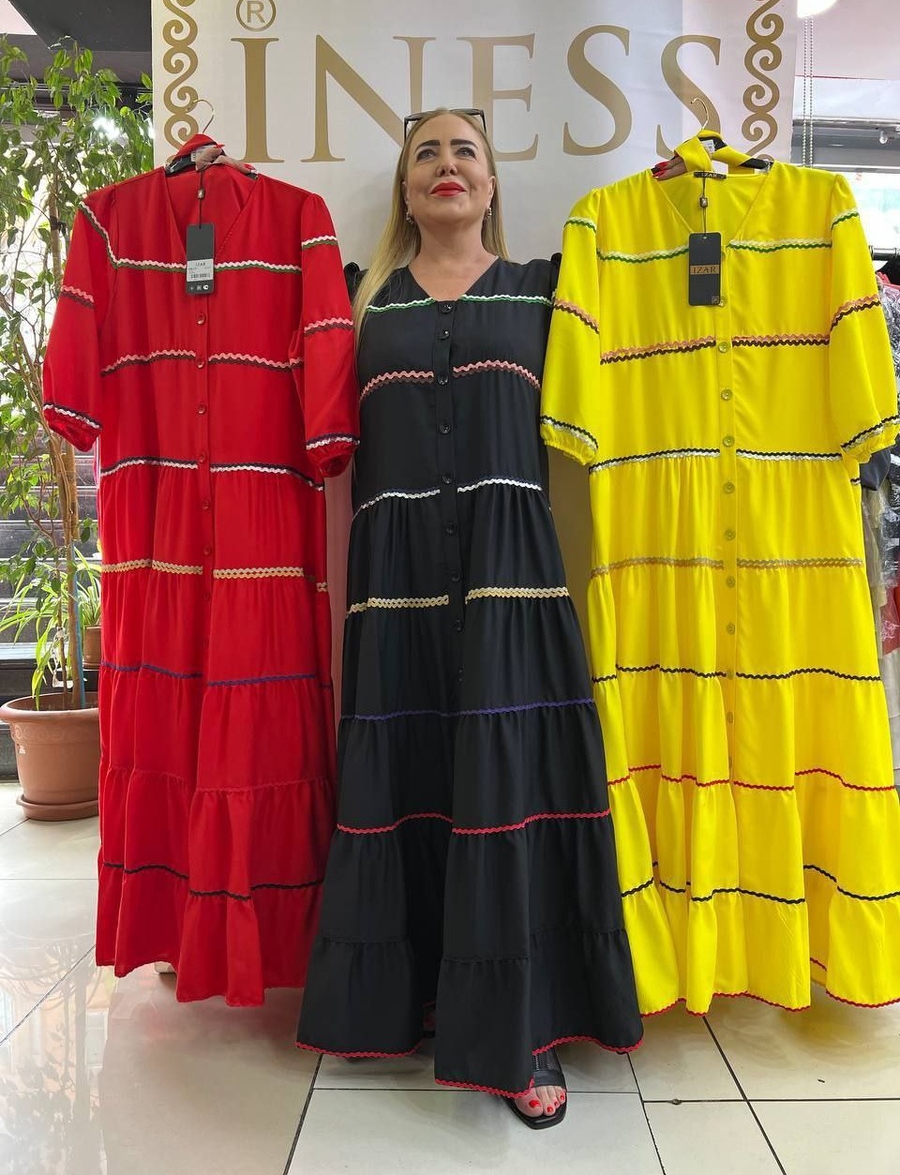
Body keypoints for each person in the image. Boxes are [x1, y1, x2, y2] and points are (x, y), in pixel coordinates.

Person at [296, 107, 643, 1128]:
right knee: (407, 783)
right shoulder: (360, 304)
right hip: (397, 584)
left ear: (492, 184)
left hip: (510, 578)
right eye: (426, 154)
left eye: (465, 152)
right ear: (404, 191)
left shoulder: (546, 287)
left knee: (509, 793)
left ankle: (523, 1028)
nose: (446, 166)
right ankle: (401, 1001)